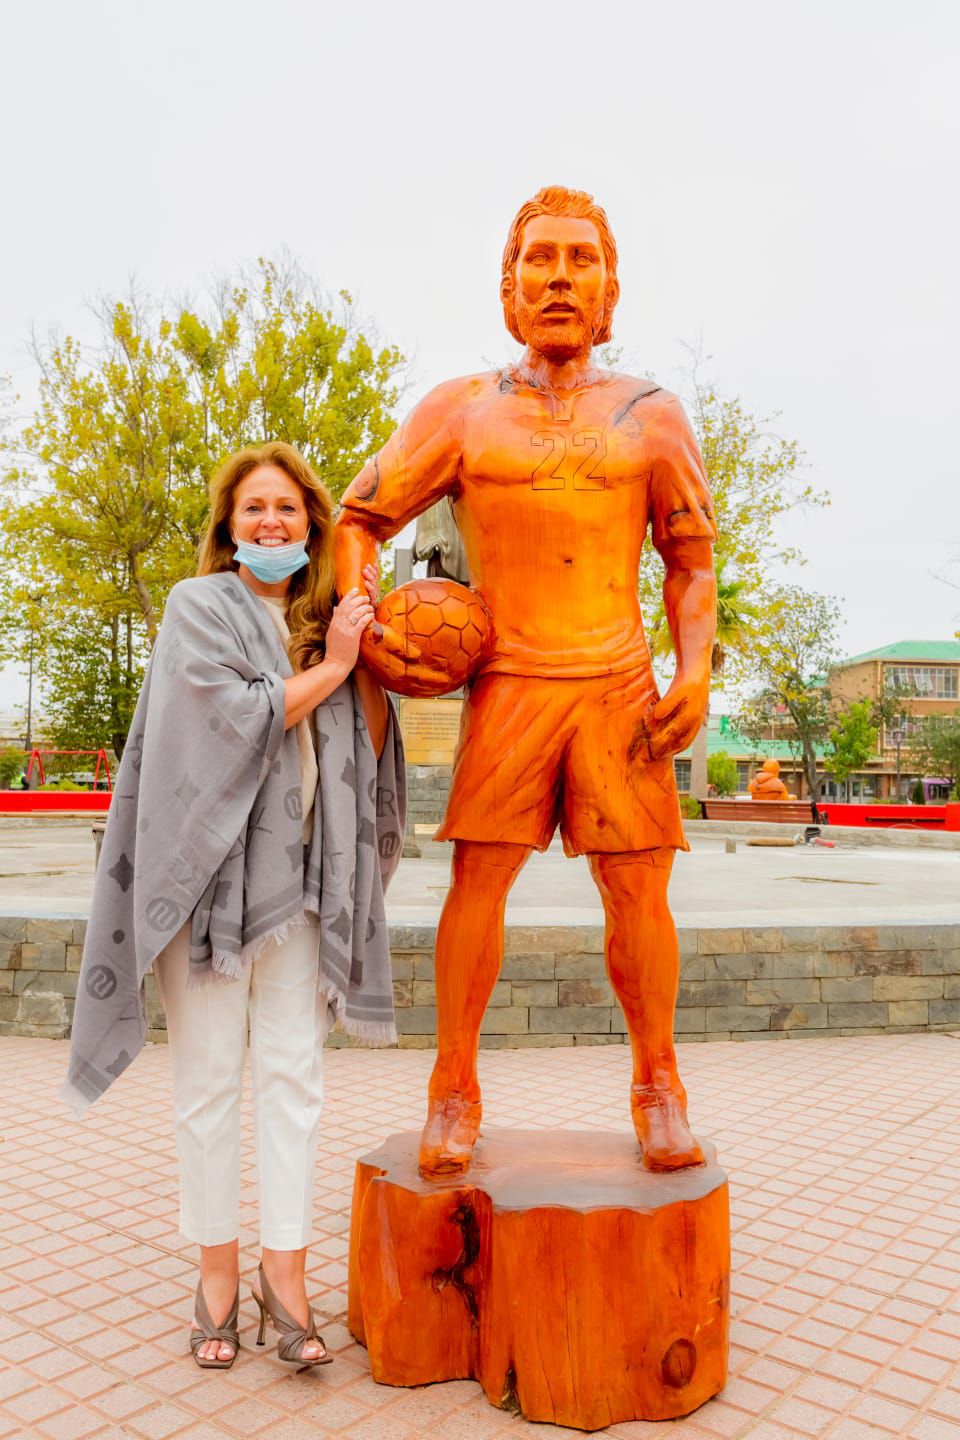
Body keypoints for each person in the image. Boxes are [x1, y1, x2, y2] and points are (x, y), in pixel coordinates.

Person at [336, 186, 717, 1180]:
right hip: (507, 683)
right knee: (478, 885)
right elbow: (357, 521)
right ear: (508, 288)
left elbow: (690, 558)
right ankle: (452, 1087)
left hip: (621, 689)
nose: (559, 275)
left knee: (640, 894)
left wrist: (696, 670)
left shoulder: (654, 415)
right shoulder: (462, 410)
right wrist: (364, 627)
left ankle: (659, 1085)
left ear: (609, 288)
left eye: (579, 260)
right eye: (539, 259)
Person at [64, 441, 405, 1370]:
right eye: (254, 509)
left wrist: (365, 661)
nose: (271, 524)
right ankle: (217, 1277)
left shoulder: (331, 619)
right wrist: (335, 668)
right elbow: (225, 723)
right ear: (227, 526)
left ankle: (284, 1280)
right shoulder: (197, 607)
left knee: (294, 1083)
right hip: (207, 889)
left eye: (288, 511)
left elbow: (365, 754)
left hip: (300, 886)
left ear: (312, 526)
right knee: (208, 1086)